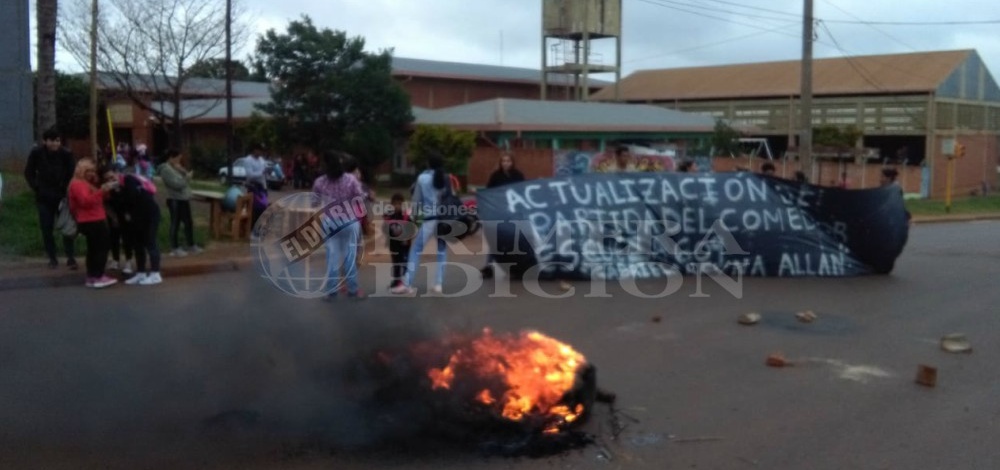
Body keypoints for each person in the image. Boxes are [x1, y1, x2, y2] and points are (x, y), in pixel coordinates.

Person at [392, 153, 450, 296]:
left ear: (428, 164)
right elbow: (451, 198)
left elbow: (417, 201)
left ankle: (407, 283)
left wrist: (413, 218)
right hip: (443, 220)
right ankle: (438, 284)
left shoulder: (422, 178)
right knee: (442, 251)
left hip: (429, 219)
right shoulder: (446, 178)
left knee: (416, 249)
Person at [313, 150, 367, 300]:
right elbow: (360, 198)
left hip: (330, 222)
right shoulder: (350, 179)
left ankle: (331, 292)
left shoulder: (319, 182)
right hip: (349, 221)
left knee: (332, 258)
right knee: (350, 256)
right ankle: (353, 290)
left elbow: (314, 202)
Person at [24, 128, 78, 270]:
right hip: (44, 197)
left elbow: (72, 173)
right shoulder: (37, 153)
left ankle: (70, 257)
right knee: (46, 228)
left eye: (57, 140)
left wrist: (66, 189)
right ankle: (52, 258)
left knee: (67, 227)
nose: (55, 144)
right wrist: (36, 187)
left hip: (62, 197)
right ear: (45, 141)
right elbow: (28, 172)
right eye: (52, 141)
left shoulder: (66, 154)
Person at [67, 159, 118, 288]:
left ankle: (92, 276)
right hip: (92, 220)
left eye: (92, 171)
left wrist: (104, 190)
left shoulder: (83, 183)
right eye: (87, 171)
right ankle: (98, 276)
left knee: (94, 249)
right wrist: (101, 191)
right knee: (101, 248)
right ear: (81, 171)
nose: (90, 173)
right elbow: (85, 201)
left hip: (91, 219)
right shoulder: (78, 184)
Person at [481, 152, 525, 279]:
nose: (506, 163)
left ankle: (514, 268)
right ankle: (489, 266)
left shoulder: (518, 175)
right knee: (496, 239)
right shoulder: (496, 176)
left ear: (512, 162)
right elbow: (489, 192)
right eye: (503, 161)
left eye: (508, 161)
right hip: (498, 212)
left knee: (513, 241)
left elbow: (522, 192)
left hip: (513, 213)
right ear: (500, 163)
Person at [118, 171, 163, 285]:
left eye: (111, 176)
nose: (110, 180)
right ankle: (141, 272)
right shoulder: (122, 185)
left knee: (150, 242)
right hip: (137, 217)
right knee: (138, 244)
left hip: (149, 214)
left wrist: (120, 194)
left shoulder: (128, 179)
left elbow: (131, 197)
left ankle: (155, 274)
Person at [158, 149, 202, 257]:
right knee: (175, 223)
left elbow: (184, 178)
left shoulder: (174, 168)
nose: (179, 161)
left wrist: (183, 171)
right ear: (171, 158)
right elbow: (176, 185)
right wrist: (187, 178)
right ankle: (175, 247)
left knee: (188, 222)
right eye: (177, 158)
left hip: (183, 198)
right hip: (175, 199)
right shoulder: (165, 169)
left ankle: (191, 244)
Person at [101, 167, 135, 275]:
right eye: (107, 179)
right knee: (114, 237)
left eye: (112, 177)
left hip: (125, 214)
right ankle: (115, 260)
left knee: (127, 238)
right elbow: (105, 204)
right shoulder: (107, 188)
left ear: (116, 174)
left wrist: (128, 213)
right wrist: (113, 217)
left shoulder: (125, 182)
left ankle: (129, 260)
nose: (111, 180)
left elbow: (130, 199)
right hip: (114, 214)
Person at [383, 193, 414, 290]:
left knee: (404, 262)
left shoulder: (406, 216)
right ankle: (396, 280)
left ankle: (405, 281)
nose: (397, 206)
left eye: (399, 204)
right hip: (393, 243)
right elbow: (386, 228)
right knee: (395, 262)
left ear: (402, 204)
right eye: (395, 204)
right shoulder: (390, 216)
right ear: (392, 204)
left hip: (404, 243)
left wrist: (408, 239)